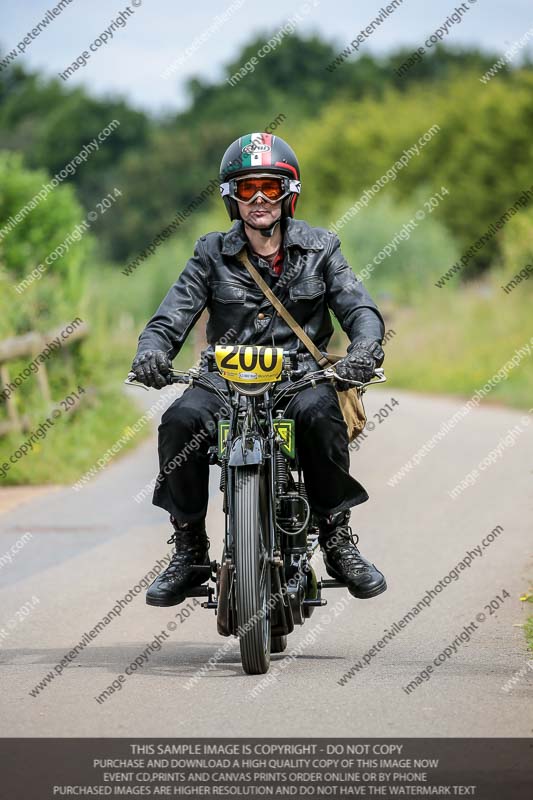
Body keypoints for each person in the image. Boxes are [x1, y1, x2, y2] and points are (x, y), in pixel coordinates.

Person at [130, 132, 387, 608]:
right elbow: (171, 316)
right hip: (224, 382)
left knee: (321, 414)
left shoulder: (321, 248)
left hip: (299, 380)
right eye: (247, 189)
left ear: (289, 193)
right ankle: (188, 550)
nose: (261, 199)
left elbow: (360, 309)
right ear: (233, 198)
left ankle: (336, 540)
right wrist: (152, 352)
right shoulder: (210, 253)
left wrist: (366, 348)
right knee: (179, 421)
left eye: (270, 186)